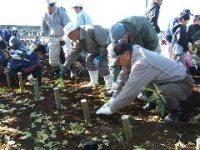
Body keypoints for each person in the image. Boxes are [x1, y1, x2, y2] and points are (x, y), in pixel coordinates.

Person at [96, 40, 194, 123]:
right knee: (145, 85)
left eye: (117, 60)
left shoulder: (142, 62)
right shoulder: (132, 55)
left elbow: (130, 90)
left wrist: (111, 108)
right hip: (166, 80)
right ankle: (153, 102)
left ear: (126, 54)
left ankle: (176, 112)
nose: (117, 63)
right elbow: (122, 79)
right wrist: (113, 98)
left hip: (182, 83)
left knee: (160, 92)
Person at [62, 22, 114, 89]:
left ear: (74, 32)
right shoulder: (78, 40)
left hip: (110, 48)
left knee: (102, 63)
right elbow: (74, 52)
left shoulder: (93, 29)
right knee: (90, 60)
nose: (69, 38)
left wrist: (100, 56)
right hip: (98, 51)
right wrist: (65, 65)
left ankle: (111, 85)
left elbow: (105, 44)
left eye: (69, 36)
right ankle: (94, 82)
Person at [108, 16, 158, 81]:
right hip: (134, 51)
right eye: (116, 41)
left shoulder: (142, 26)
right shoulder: (115, 37)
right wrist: (115, 81)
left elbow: (153, 44)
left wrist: (142, 62)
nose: (119, 43)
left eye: (121, 40)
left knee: (149, 69)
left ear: (127, 34)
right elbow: (114, 62)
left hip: (150, 47)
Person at [41, 0, 71, 78]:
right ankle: (57, 72)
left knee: (69, 53)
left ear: (54, 5)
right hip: (53, 37)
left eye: (52, 6)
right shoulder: (45, 15)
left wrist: (67, 37)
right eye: (49, 6)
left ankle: (72, 71)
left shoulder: (61, 12)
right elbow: (44, 27)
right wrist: (44, 36)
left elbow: (68, 25)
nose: (50, 8)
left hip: (64, 36)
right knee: (52, 57)